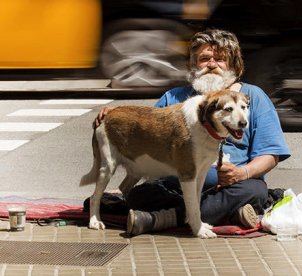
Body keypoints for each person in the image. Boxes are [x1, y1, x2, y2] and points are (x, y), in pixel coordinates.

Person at [94, 28, 290, 236]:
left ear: (234, 65)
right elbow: (146, 131)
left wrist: (243, 173)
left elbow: (271, 154)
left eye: (220, 59)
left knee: (255, 191)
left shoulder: (253, 97)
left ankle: (164, 218)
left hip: (230, 186)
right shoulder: (175, 97)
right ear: (193, 64)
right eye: (204, 58)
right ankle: (229, 214)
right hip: (176, 186)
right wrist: (117, 114)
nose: (212, 65)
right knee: (140, 194)